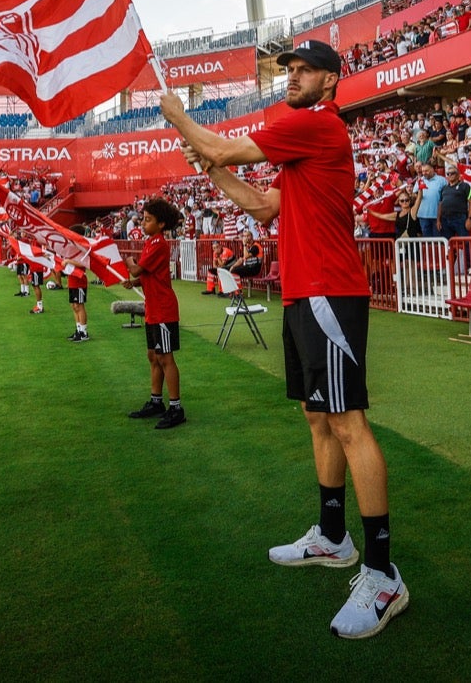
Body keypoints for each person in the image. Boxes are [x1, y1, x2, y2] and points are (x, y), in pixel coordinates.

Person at [160, 40, 407, 640]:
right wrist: (213, 169)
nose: (291, 77)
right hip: (304, 293)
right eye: (288, 70)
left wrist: (182, 120)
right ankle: (333, 538)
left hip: (328, 291)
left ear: (330, 80)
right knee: (317, 417)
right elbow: (263, 206)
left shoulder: (317, 125)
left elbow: (222, 144)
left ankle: (383, 575)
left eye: (304, 70)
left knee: (348, 422)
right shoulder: (303, 142)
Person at [124, 198, 185, 429]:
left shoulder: (158, 244)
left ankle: (176, 408)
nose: (143, 223)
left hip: (163, 310)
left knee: (165, 358)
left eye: (148, 220)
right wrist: (135, 282)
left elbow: (137, 268)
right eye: (143, 219)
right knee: (153, 356)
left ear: (161, 224)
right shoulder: (151, 242)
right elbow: (147, 274)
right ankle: (156, 401)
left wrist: (129, 262)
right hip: (153, 308)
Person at [64, 257, 91, 342]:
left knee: (79, 306)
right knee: (74, 306)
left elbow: (83, 264)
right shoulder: (69, 252)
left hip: (79, 280)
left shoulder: (80, 252)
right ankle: (78, 330)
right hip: (72, 280)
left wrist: (68, 261)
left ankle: (84, 332)